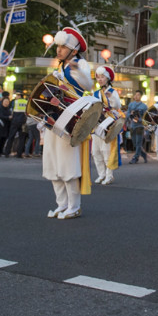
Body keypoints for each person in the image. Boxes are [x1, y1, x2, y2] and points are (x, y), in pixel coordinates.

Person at [42, 27, 94, 219]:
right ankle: (61, 204)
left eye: (63, 47)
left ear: (74, 50)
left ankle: (74, 205)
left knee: (67, 163)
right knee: (52, 163)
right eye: (58, 46)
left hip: (70, 119)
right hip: (52, 118)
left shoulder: (80, 63)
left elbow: (88, 85)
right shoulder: (58, 67)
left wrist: (77, 70)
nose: (59, 50)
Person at [91, 65, 123, 185]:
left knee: (106, 151)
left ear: (107, 78)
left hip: (108, 124)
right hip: (96, 124)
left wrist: (111, 98)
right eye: (98, 77)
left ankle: (109, 175)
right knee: (96, 152)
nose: (100, 79)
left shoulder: (112, 92)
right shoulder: (95, 93)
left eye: (102, 77)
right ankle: (101, 175)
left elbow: (117, 106)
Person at [126, 90, 148, 164]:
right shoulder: (131, 105)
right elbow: (127, 114)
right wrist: (130, 114)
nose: (136, 96)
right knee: (135, 143)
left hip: (140, 126)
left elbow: (146, 118)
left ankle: (135, 157)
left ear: (141, 96)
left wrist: (139, 119)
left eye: (138, 95)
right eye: (135, 94)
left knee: (138, 143)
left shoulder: (144, 106)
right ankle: (143, 154)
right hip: (132, 126)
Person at [4, 92, 28, 157]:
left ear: (19, 96)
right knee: (22, 138)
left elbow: (11, 109)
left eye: (17, 95)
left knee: (11, 137)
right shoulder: (26, 102)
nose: (16, 97)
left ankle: (7, 152)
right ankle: (19, 154)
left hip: (15, 121)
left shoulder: (15, 102)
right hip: (23, 121)